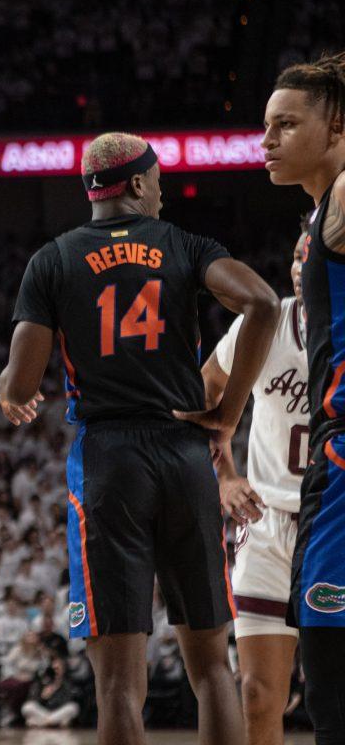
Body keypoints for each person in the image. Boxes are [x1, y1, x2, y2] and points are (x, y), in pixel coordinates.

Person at [0, 132, 280, 745]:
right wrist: (228, 415)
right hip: (184, 451)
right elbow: (261, 303)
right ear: (134, 184)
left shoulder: (52, 258)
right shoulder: (184, 244)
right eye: (158, 181)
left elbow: (21, 381)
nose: (164, 191)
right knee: (212, 669)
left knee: (119, 688)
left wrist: (9, 388)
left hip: (108, 459)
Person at [262, 51, 345, 743]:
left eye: (286, 125)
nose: (268, 141)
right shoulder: (322, 215)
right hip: (329, 456)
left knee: (331, 688)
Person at [201, 225, 310, 745]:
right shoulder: (267, 322)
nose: (299, 264)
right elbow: (205, 393)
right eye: (294, 254)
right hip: (265, 526)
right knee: (258, 695)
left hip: (330, 522)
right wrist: (224, 477)